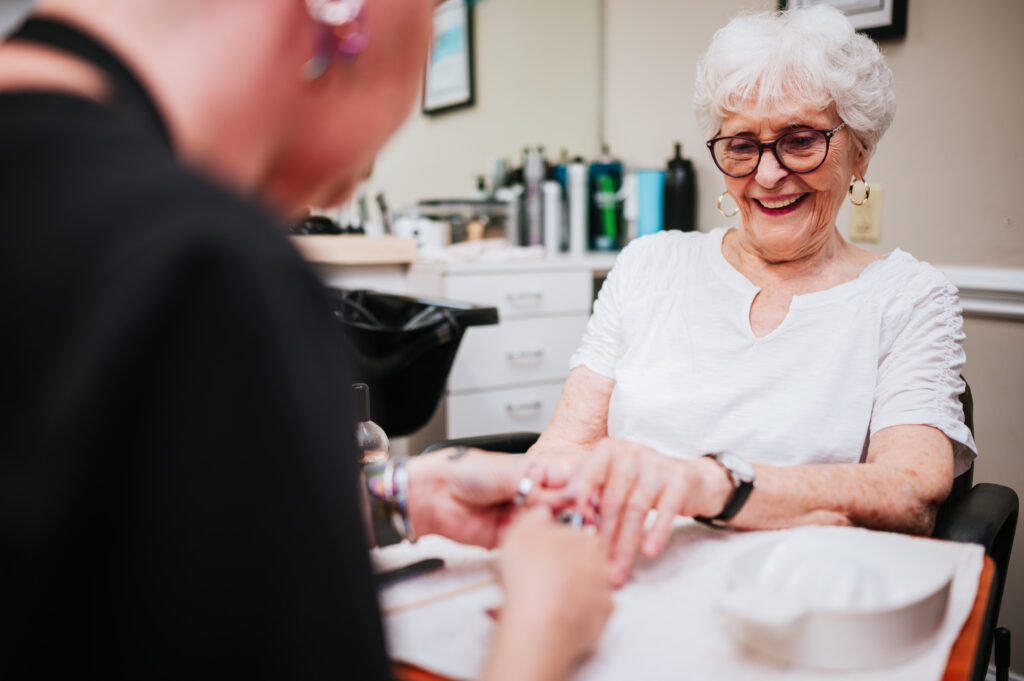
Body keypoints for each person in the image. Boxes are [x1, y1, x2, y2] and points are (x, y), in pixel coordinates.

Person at [0, 1, 611, 678]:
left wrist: (391, 498)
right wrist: (545, 624)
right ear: (344, 13)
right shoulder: (201, 265)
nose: (358, 179)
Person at [530, 5, 977, 587]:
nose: (768, 174)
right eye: (741, 144)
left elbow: (909, 493)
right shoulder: (649, 265)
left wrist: (714, 483)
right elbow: (562, 448)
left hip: (799, 599)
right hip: (621, 579)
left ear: (859, 150)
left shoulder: (911, 299)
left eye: (800, 140)